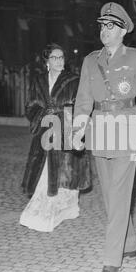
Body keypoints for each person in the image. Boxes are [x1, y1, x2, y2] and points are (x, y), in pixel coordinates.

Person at [73, 2, 136, 272]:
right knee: (110, 196)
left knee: (120, 192)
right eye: (102, 25)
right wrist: (77, 131)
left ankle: (112, 259)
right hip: (100, 131)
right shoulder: (90, 60)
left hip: (127, 130)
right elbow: (82, 102)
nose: (104, 31)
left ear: (123, 30)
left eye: (110, 26)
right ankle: (129, 242)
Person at [20, 43, 92, 232]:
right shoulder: (39, 81)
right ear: (47, 62)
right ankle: (42, 213)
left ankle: (65, 210)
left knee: (66, 172)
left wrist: (65, 118)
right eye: (55, 58)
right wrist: (44, 113)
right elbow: (30, 104)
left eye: (61, 57)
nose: (59, 61)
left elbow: (81, 105)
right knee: (45, 173)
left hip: (66, 129)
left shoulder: (73, 80)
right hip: (45, 131)